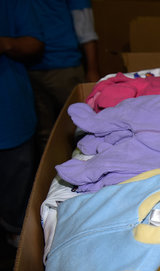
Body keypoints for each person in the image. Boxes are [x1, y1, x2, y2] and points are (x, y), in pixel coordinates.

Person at [28, 0, 100, 157]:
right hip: (30, 68)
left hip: (65, 65)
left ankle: (83, 162)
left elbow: (86, 28)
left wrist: (92, 69)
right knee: (43, 133)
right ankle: (50, 173)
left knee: (79, 126)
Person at [0, 0, 45, 248]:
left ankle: (15, 228)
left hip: (9, 111)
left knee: (17, 176)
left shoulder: (14, 4)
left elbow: (35, 42)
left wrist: (6, 43)